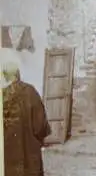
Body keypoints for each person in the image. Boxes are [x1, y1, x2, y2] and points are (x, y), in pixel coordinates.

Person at [1, 48, 51, 176]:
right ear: (18, 74)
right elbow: (40, 125)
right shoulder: (30, 92)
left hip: (8, 159)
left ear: (5, 76)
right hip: (30, 156)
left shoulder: (2, 96)